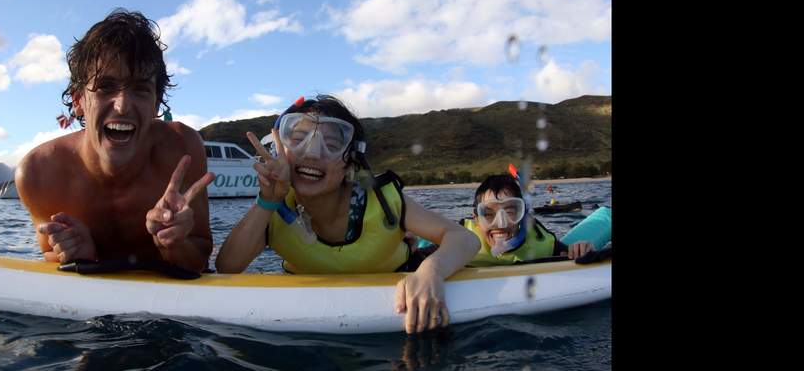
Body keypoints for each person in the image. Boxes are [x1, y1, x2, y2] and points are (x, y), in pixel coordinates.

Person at [214, 95, 480, 334]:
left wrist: (430, 271)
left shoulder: (382, 201)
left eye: (331, 144)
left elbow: (465, 238)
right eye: (298, 140)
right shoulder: (275, 210)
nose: (312, 152)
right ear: (279, 150)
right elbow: (227, 266)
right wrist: (267, 201)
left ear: (350, 162)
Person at [14, 9, 215, 273]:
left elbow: (198, 259)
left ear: (156, 102)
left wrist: (173, 244)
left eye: (141, 89)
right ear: (78, 101)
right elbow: (52, 257)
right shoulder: (39, 173)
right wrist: (78, 255)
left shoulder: (181, 150)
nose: (122, 106)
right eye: (105, 87)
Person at [453, 173, 611, 266]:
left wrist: (580, 248)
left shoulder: (541, 241)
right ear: (476, 219)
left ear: (522, 215)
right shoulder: (460, 242)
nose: (501, 223)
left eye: (510, 211)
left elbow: (570, 253)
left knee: (607, 217)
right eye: (488, 214)